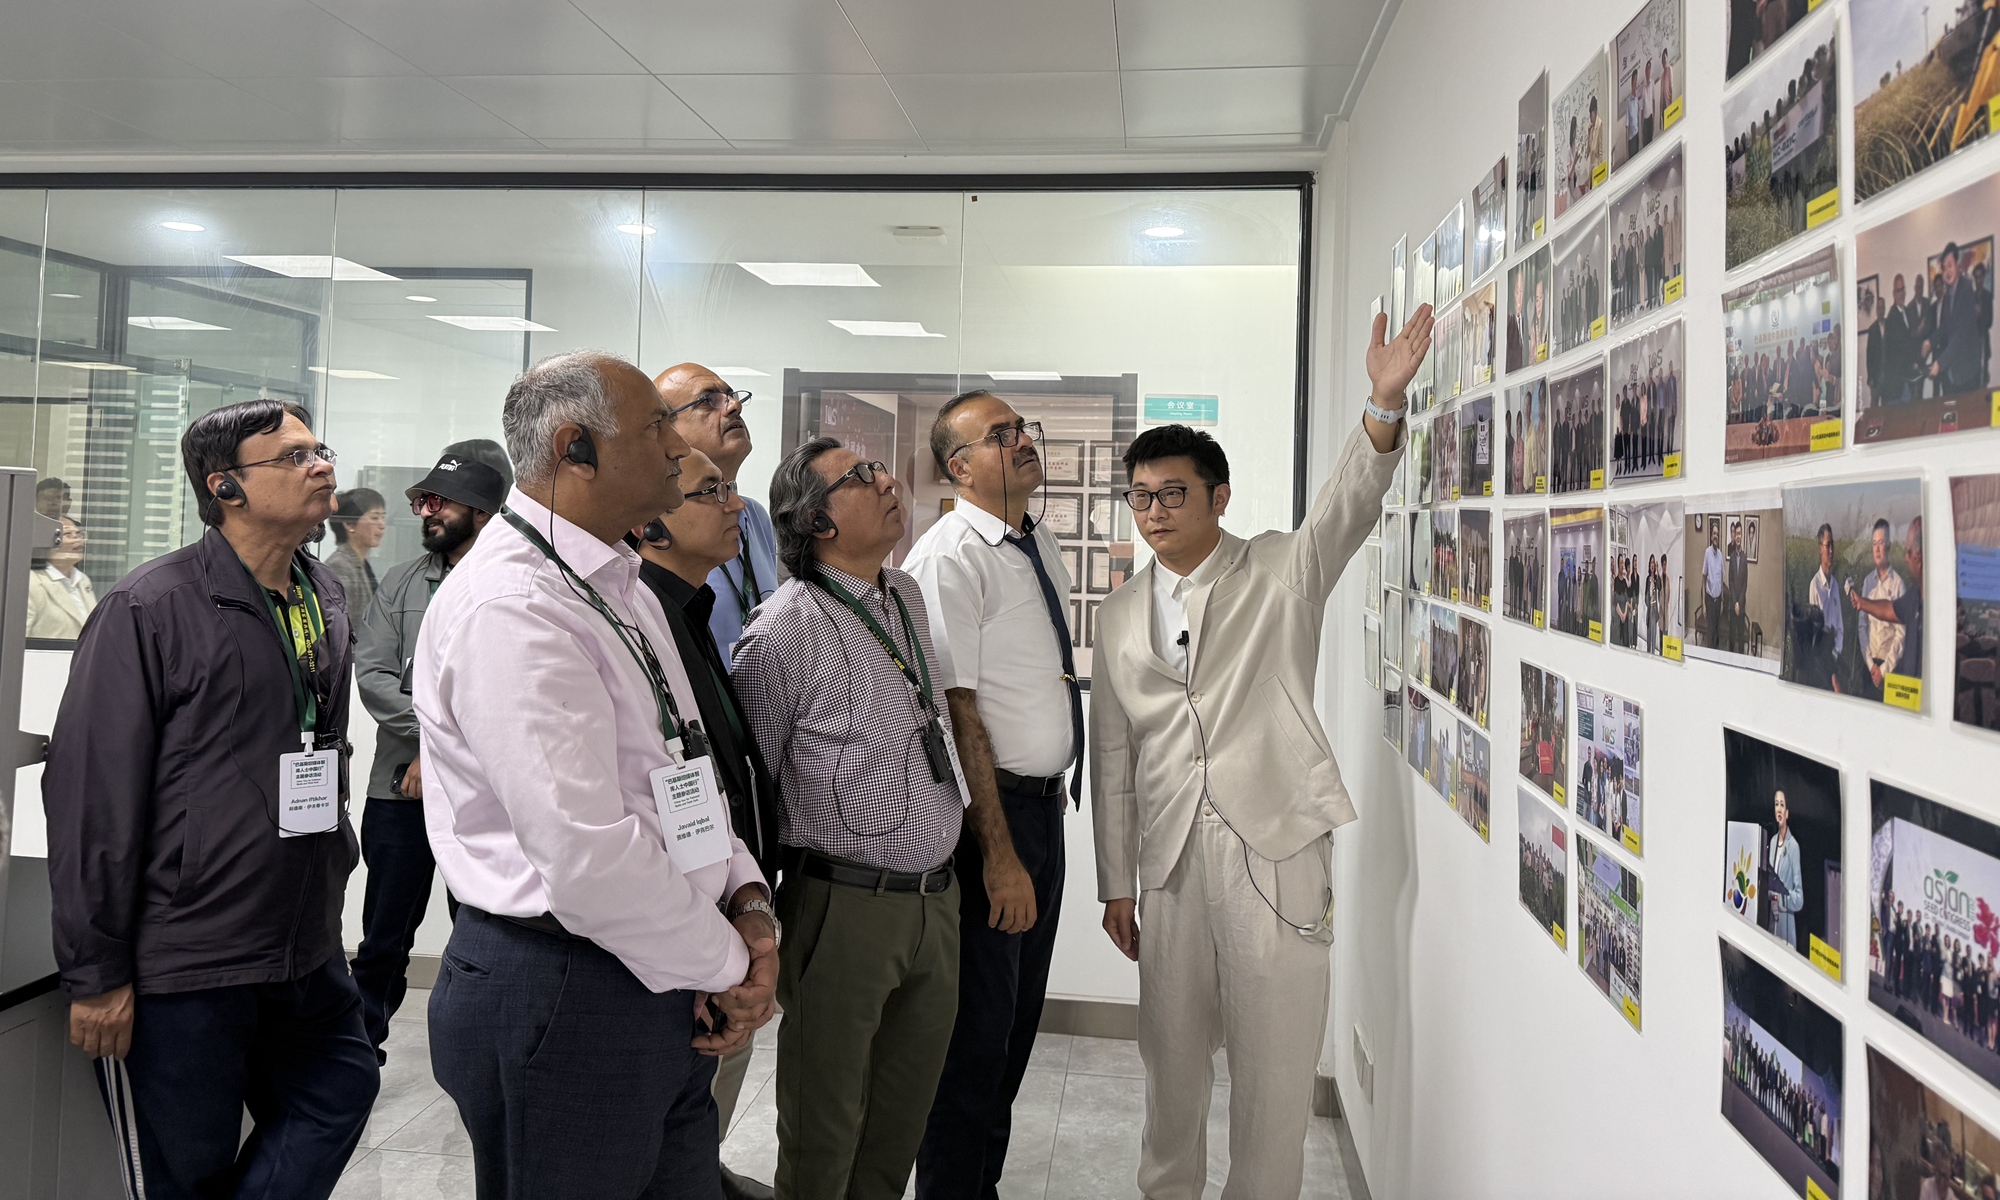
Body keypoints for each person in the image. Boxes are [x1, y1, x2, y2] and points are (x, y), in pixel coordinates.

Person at [417, 351, 778, 1196]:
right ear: (576, 448)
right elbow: (586, 858)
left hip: (657, 968)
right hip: (564, 990)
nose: (678, 445)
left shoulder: (618, 582)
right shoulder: (512, 605)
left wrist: (749, 904)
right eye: (656, 425)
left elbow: (683, 773)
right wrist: (727, 966)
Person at [1092, 305, 1424, 1197]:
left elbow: (1346, 509)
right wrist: (1115, 883)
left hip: (1274, 852)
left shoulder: (1281, 570)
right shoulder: (1120, 611)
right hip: (1166, 866)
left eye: (1173, 493)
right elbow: (1113, 758)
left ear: (1219, 498)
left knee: (1274, 1087)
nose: (1154, 512)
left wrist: (1381, 407)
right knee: (1170, 1079)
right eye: (1141, 497)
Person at [45, 398, 377, 1198]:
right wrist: (96, 973)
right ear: (224, 485)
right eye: (293, 457)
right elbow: (92, 796)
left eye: (319, 448)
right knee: (184, 1172)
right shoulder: (149, 607)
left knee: (341, 1088)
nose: (321, 465)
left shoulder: (320, 593)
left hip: (302, 942)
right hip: (185, 960)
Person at [732, 438, 967, 1200]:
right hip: (841, 907)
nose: (887, 481)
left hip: (935, 901)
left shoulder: (906, 597)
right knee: (825, 1130)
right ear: (816, 522)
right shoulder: (780, 633)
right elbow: (757, 794)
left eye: (878, 469)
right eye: (860, 478)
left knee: (899, 1122)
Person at [905, 391, 1078, 1198]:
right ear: (958, 466)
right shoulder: (950, 557)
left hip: (1043, 813)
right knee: (971, 1047)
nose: (1021, 443)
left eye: (1022, 431)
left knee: (1009, 1037)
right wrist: (999, 854)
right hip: (994, 825)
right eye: (998, 436)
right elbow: (953, 711)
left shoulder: (1029, 541)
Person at [630, 447, 783, 1200]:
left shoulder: (686, 611)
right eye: (710, 492)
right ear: (650, 523)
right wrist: (724, 956)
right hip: (677, 938)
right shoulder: (640, 615)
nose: (736, 506)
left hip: (725, 903)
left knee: (696, 1124)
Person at [349, 450, 508, 1064]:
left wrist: (443, 757)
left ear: (482, 511)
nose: (427, 514)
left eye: (439, 503)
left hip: (483, 798)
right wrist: (436, 742)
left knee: (483, 935)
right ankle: (362, 1053)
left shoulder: (512, 584)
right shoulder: (402, 582)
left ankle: (479, 1057)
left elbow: (507, 694)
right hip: (400, 793)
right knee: (384, 937)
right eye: (423, 503)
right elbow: (374, 674)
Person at [655, 363, 779, 668]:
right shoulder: (657, 521)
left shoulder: (754, 517)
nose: (734, 406)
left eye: (730, 395)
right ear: (667, 432)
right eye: (708, 400)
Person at [1847, 515, 1924, 684]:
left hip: (1890, 670)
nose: (1877, 549)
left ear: (1888, 546)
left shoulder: (1899, 585)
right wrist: (1870, 665)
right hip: (1868, 667)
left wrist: (1883, 670)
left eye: (1881, 543)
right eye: (1874, 544)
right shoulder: (1868, 582)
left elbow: (1901, 634)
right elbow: (1862, 625)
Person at [27, 515, 96, 639]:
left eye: (79, 534)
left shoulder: (83, 580)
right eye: (69, 534)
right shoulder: (32, 583)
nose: (78, 540)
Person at [325, 486, 386, 615]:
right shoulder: (339, 566)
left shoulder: (362, 563)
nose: (382, 525)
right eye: (375, 518)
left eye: (383, 517)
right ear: (349, 524)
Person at [1804, 523, 1843, 692]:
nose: (1831, 550)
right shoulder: (1815, 585)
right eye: (1828, 546)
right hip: (1820, 661)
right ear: (1820, 548)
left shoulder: (1835, 585)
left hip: (1834, 657)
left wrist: (1836, 652)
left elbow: (1840, 626)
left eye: (1833, 545)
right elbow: (1814, 631)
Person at [1768, 790, 1803, 952]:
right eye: (1776, 805)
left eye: (1782, 805)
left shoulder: (1793, 847)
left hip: (1785, 931)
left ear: (1787, 812)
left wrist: (1780, 899)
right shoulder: (1773, 841)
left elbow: (1798, 899)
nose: (1779, 809)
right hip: (1770, 925)